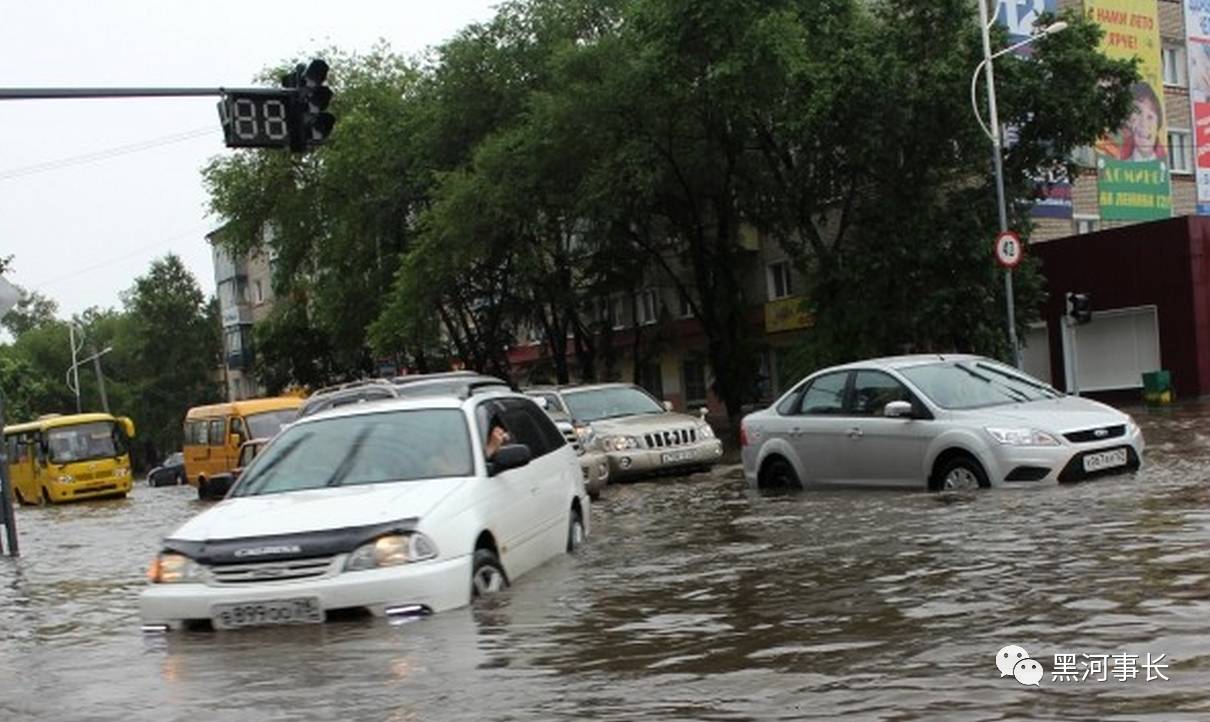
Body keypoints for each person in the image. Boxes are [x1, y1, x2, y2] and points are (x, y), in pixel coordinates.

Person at [1119, 82, 1167, 163]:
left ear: (1158, 124)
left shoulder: (1163, 167)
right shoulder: (1120, 164)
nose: (1144, 124)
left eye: (1150, 117)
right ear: (1130, 123)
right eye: (1138, 115)